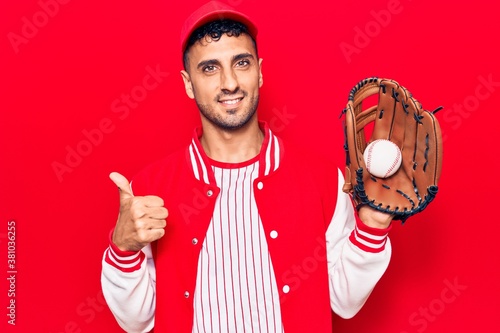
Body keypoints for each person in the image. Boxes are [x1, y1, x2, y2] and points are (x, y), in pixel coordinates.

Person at [101, 1, 393, 332]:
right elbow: (136, 321)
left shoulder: (322, 178)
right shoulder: (150, 188)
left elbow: (345, 300)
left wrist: (371, 224)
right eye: (210, 68)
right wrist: (123, 247)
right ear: (187, 83)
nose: (230, 83)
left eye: (241, 63)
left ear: (260, 70)